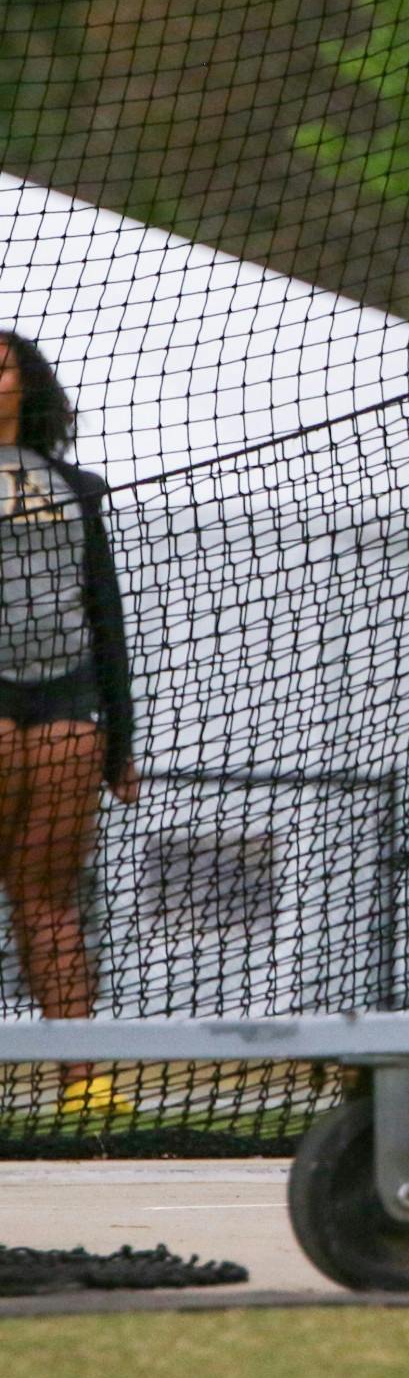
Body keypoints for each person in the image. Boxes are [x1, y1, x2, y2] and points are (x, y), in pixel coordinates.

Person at [0, 331, 140, 1113]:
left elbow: (104, 616)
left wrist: (120, 742)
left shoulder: (75, 488)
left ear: (28, 384)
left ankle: (83, 1082)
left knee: (47, 895)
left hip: (66, 702)